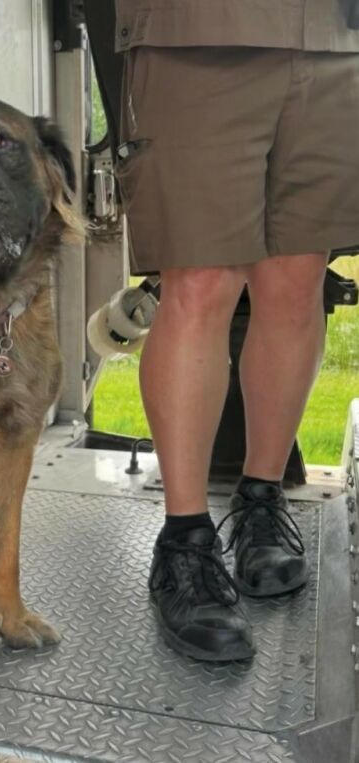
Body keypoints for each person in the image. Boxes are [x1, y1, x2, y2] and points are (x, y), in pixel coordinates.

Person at [112, 0, 359, 660]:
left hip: (335, 38)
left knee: (297, 278)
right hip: (197, 34)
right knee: (199, 283)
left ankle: (260, 500)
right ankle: (185, 543)